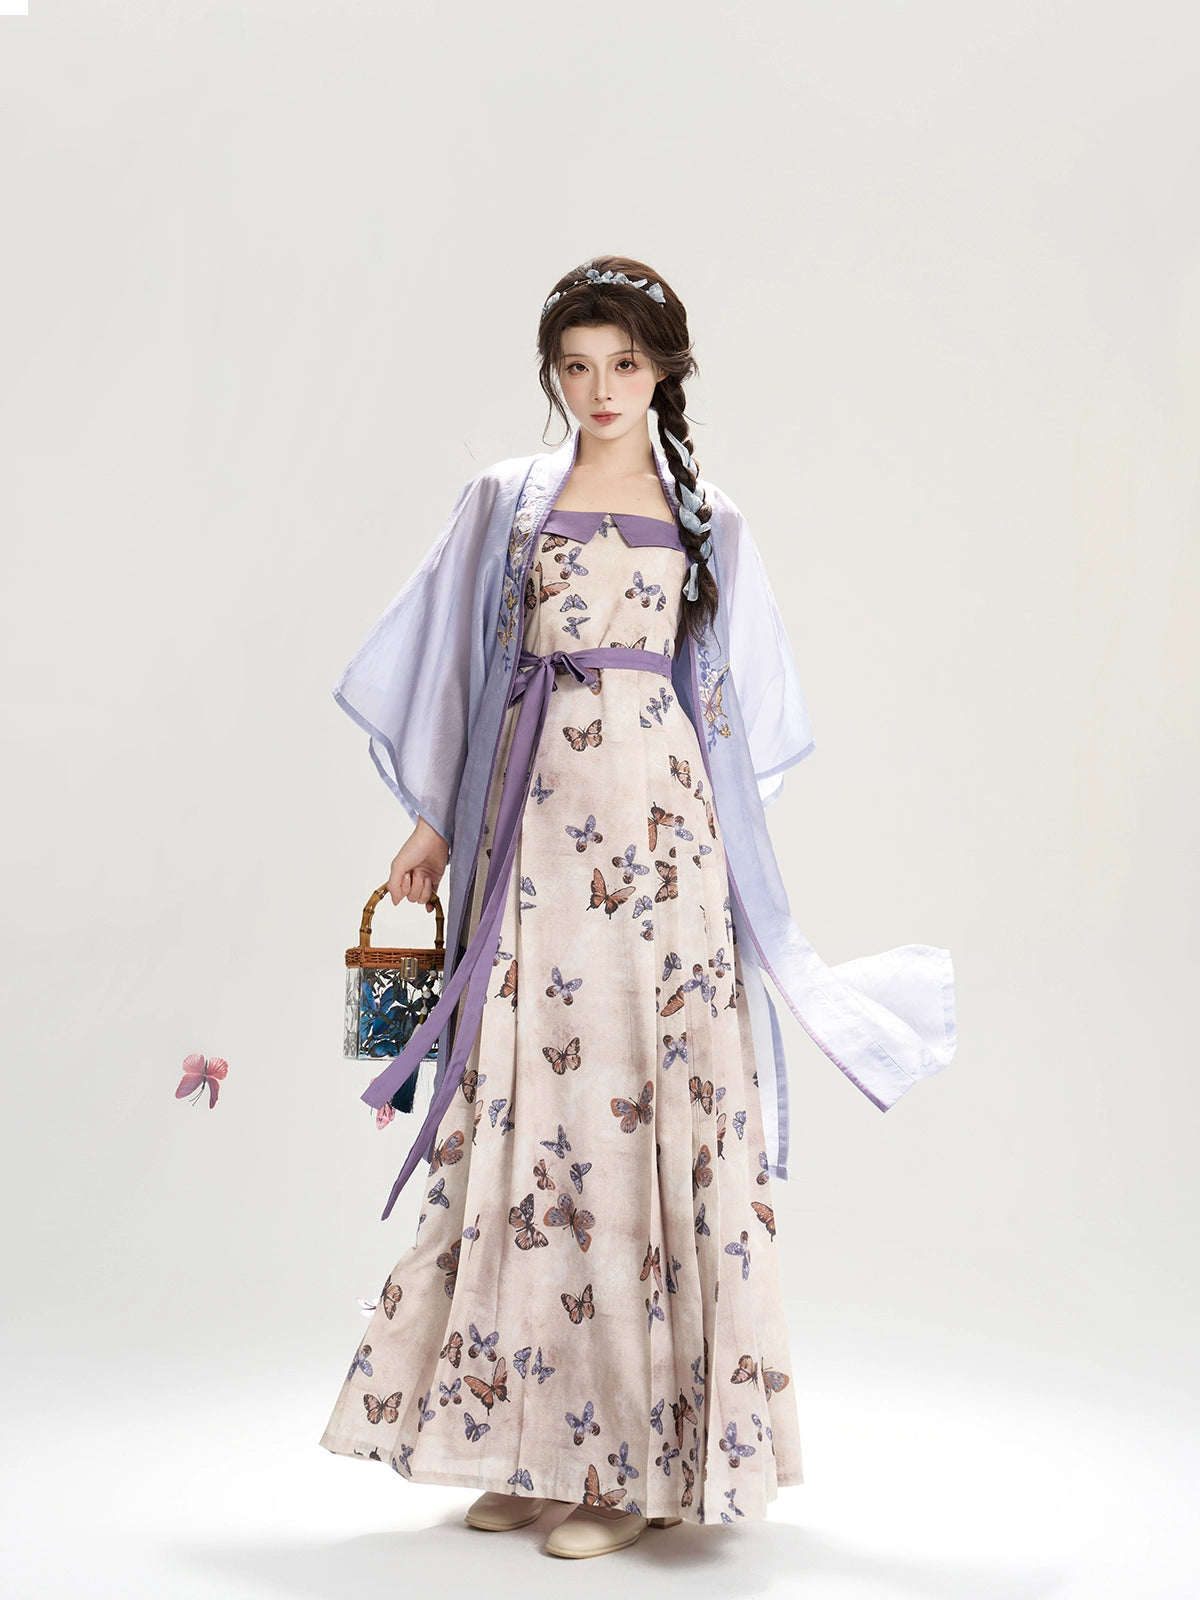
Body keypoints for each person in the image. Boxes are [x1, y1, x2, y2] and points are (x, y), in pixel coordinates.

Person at [319, 256, 957, 1559]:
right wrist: (434, 823)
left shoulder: (709, 520)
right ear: (553, 376)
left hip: (664, 860)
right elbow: (461, 675)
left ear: (664, 369)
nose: (600, 389)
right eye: (576, 367)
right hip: (531, 843)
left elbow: (740, 714)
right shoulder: (507, 502)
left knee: (637, 1131)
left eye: (624, 364)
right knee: (529, 1123)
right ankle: (522, 1443)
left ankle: (630, 1473)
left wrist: (715, 870)